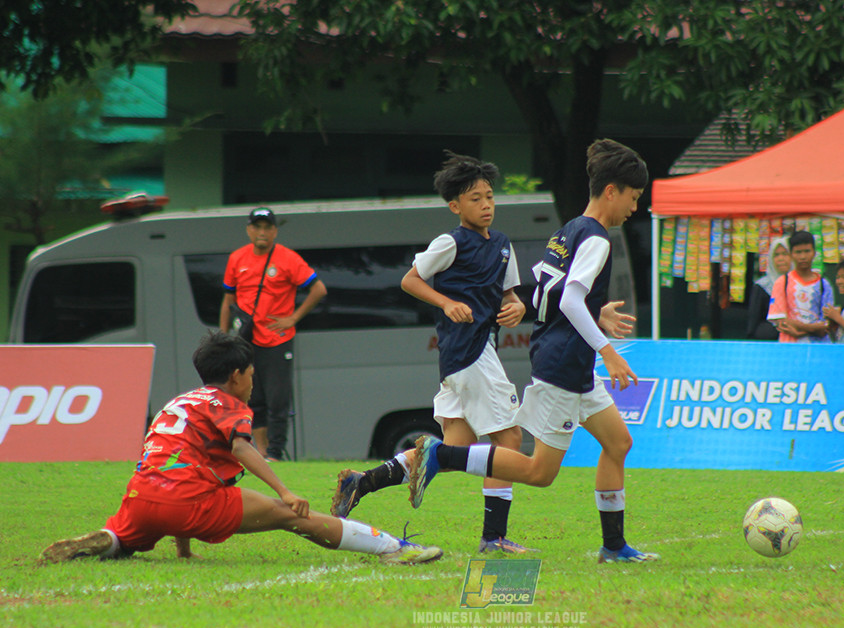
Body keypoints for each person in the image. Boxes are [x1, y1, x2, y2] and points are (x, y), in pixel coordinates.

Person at [405, 138, 657, 564]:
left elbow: (547, 293)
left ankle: (614, 547)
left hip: (566, 359)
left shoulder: (569, 230)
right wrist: (607, 349)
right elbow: (570, 301)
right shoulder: (597, 239)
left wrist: (598, 316)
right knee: (539, 473)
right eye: (633, 198)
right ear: (612, 191)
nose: (634, 208)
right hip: (564, 363)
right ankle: (440, 454)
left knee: (618, 443)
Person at [39, 331, 442, 565]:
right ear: (235, 376)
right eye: (250, 375)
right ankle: (394, 548)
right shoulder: (229, 405)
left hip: (141, 496)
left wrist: (183, 548)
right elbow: (241, 448)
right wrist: (285, 491)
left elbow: (180, 461)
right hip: (187, 499)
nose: (253, 383)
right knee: (291, 516)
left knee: (127, 540)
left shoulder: (179, 403)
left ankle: (106, 542)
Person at [331, 151, 533, 554]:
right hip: (469, 352)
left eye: (490, 196)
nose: (486, 205)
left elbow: (510, 294)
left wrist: (517, 307)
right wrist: (445, 302)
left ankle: (362, 482)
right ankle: (493, 538)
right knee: (508, 440)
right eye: (475, 198)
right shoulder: (451, 241)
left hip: (470, 354)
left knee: (455, 442)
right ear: (455, 206)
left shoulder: (504, 246)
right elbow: (410, 280)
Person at [220, 207, 327, 461]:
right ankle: (263, 452)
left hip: (277, 339)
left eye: (268, 227)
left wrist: (293, 318)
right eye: (257, 227)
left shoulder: (288, 258)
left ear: (275, 232)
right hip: (246, 339)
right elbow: (228, 300)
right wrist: (224, 338)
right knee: (251, 396)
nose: (262, 232)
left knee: (277, 398)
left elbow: (319, 289)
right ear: (249, 230)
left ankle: (276, 453)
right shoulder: (237, 258)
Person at [767, 230, 834, 343]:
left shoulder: (824, 285)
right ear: (791, 254)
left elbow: (827, 325)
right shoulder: (783, 282)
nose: (803, 257)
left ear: (814, 253)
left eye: (807, 251)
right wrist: (814, 328)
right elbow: (781, 321)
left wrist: (800, 329)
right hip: (790, 348)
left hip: (818, 348)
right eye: (798, 252)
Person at [746, 236, 791, 340]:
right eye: (776, 255)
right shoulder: (762, 287)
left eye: (785, 254)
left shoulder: (799, 285)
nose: (780, 259)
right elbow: (753, 322)